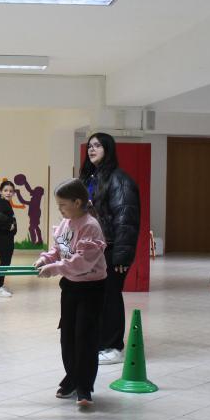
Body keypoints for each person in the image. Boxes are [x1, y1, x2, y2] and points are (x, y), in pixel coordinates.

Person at [35, 179, 107, 407]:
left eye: (62, 205)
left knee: (85, 336)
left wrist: (55, 268)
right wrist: (46, 259)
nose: (60, 210)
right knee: (67, 335)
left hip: (91, 288)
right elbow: (59, 250)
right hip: (70, 286)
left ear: (77, 202)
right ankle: (72, 377)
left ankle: (84, 386)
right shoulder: (66, 223)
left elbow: (82, 262)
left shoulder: (90, 226)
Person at [80, 132, 141, 366]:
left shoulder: (119, 179)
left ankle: (114, 347)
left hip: (111, 248)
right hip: (91, 249)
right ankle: (99, 342)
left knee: (110, 297)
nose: (92, 149)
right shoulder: (89, 178)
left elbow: (126, 219)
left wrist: (122, 256)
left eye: (98, 145)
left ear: (108, 149)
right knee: (94, 297)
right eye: (90, 146)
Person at [0, 180, 19, 297]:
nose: (8, 193)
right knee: (5, 261)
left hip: (5, 237)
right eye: (5, 190)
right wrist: (9, 226)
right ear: (1, 191)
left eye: (11, 191)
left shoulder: (4, 202)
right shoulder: (1, 203)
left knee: (5, 261)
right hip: (3, 237)